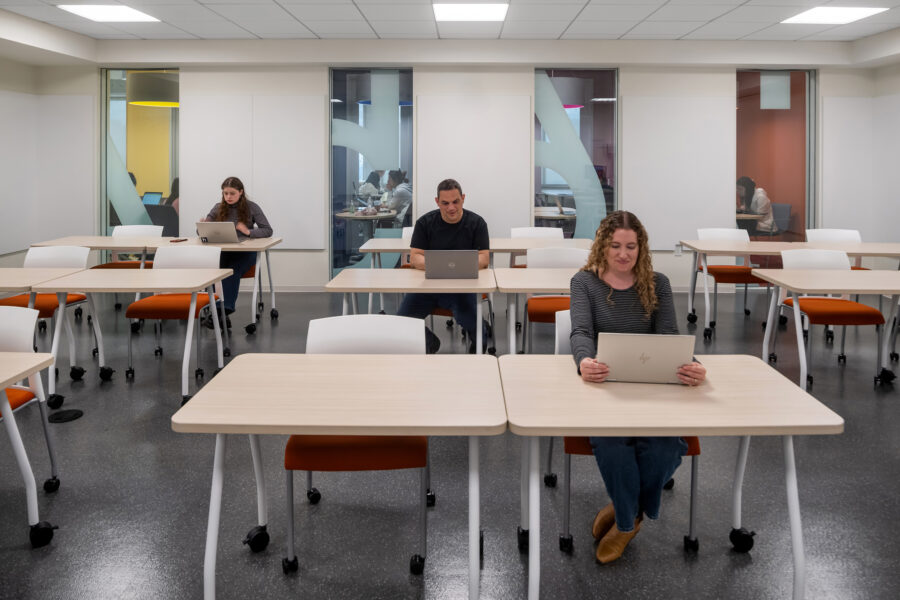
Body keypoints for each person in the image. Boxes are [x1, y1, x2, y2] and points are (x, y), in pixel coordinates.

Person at [569, 210, 707, 564]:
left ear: (641, 248)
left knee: (663, 448)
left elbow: (668, 337)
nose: (623, 254)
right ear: (603, 246)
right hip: (605, 384)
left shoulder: (657, 282)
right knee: (611, 443)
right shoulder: (584, 282)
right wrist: (584, 361)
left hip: (653, 387)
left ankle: (623, 510)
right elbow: (582, 333)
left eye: (631, 246)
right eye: (615, 245)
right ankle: (629, 522)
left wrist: (693, 364)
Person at [398, 178, 489, 353]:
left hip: (462, 288)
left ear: (463, 198)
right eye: (445, 203)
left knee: (481, 338)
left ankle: (480, 334)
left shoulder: (477, 223)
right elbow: (415, 257)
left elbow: (484, 258)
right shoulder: (425, 223)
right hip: (428, 287)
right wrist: (437, 266)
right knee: (402, 322)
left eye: (456, 202)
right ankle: (430, 341)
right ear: (437, 202)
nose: (451, 208)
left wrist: (457, 267)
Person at [202, 176, 272, 326]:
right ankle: (221, 315)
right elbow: (202, 231)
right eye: (225, 193)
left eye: (232, 193)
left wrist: (247, 232)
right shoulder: (217, 207)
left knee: (231, 269)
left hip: (245, 252)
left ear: (241, 192)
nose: (228, 197)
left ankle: (224, 308)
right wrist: (203, 227)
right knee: (215, 269)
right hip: (223, 251)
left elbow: (268, 230)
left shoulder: (252, 207)